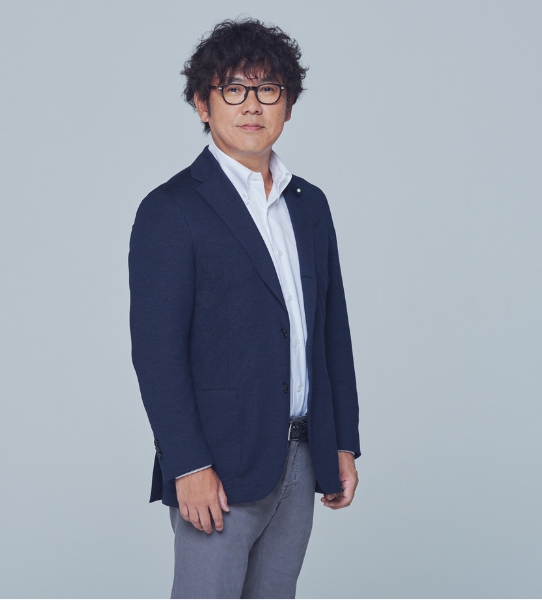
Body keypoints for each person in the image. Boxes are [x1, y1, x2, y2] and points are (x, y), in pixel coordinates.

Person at [128, 18, 361, 599]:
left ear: (288, 105)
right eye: (233, 88)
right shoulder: (171, 210)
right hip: (218, 467)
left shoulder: (310, 205)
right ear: (202, 103)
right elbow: (157, 353)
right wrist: (186, 464)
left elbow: (330, 333)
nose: (252, 104)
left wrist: (341, 442)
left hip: (302, 456)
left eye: (268, 89)